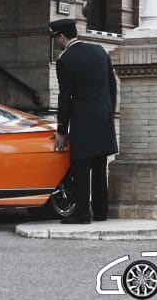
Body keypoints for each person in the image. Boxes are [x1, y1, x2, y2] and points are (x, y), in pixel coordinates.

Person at [50, 18, 117, 224]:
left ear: (62, 37)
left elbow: (65, 97)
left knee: (81, 167)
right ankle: (101, 212)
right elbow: (112, 86)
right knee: (100, 167)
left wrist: (62, 129)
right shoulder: (100, 51)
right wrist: (109, 112)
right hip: (104, 118)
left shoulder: (66, 59)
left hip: (83, 120)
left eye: (55, 38)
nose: (56, 43)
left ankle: (82, 214)